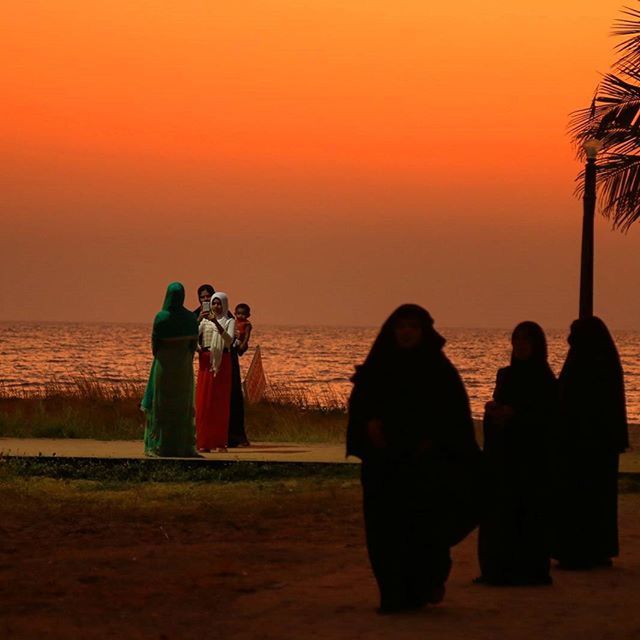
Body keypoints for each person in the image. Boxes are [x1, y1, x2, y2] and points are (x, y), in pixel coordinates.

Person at [347, 304, 482, 614]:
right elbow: (362, 403)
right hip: (384, 466)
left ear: (423, 332)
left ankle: (423, 585)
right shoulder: (379, 367)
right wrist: (369, 423)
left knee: (423, 531)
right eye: (401, 326)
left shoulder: (439, 371)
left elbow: (453, 418)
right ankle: (394, 596)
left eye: (413, 326)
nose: (406, 332)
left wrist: (432, 441)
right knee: (384, 532)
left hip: (424, 468)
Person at [475, 321, 557, 586]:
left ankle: (529, 571)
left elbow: (549, 419)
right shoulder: (506, 375)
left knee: (528, 514)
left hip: (531, 460)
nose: (520, 344)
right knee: (500, 513)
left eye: (526, 339)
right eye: (516, 338)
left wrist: (517, 415)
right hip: (504, 458)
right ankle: (498, 570)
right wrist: (495, 412)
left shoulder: (545, 380)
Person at [552, 316, 629, 570]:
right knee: (593, 502)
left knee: (585, 500)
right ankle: (591, 550)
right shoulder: (599, 361)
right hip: (593, 446)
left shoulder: (589, 363)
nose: (570, 338)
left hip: (587, 445)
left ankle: (582, 550)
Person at [141, 282, 199, 457]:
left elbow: (155, 345)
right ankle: (181, 445)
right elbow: (193, 345)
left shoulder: (161, 317)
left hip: (164, 365)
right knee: (181, 405)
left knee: (161, 404)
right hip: (183, 366)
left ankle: (159, 444)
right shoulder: (190, 318)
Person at [195, 292, 235, 452]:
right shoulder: (204, 321)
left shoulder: (229, 321)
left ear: (224, 305)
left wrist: (216, 323)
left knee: (220, 403)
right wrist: (198, 349)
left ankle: (219, 442)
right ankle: (203, 441)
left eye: (219, 303)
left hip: (222, 361)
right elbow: (193, 336)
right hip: (206, 360)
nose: (216, 307)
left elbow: (229, 340)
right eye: (214, 303)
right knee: (204, 402)